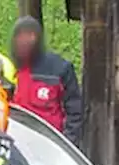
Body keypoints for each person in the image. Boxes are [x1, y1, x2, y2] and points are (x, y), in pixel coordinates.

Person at [10, 16, 83, 146]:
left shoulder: (59, 69)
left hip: (50, 147)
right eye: (20, 36)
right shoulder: (13, 69)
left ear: (37, 38)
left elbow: (75, 113)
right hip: (21, 146)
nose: (24, 40)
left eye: (29, 35)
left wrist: (65, 146)